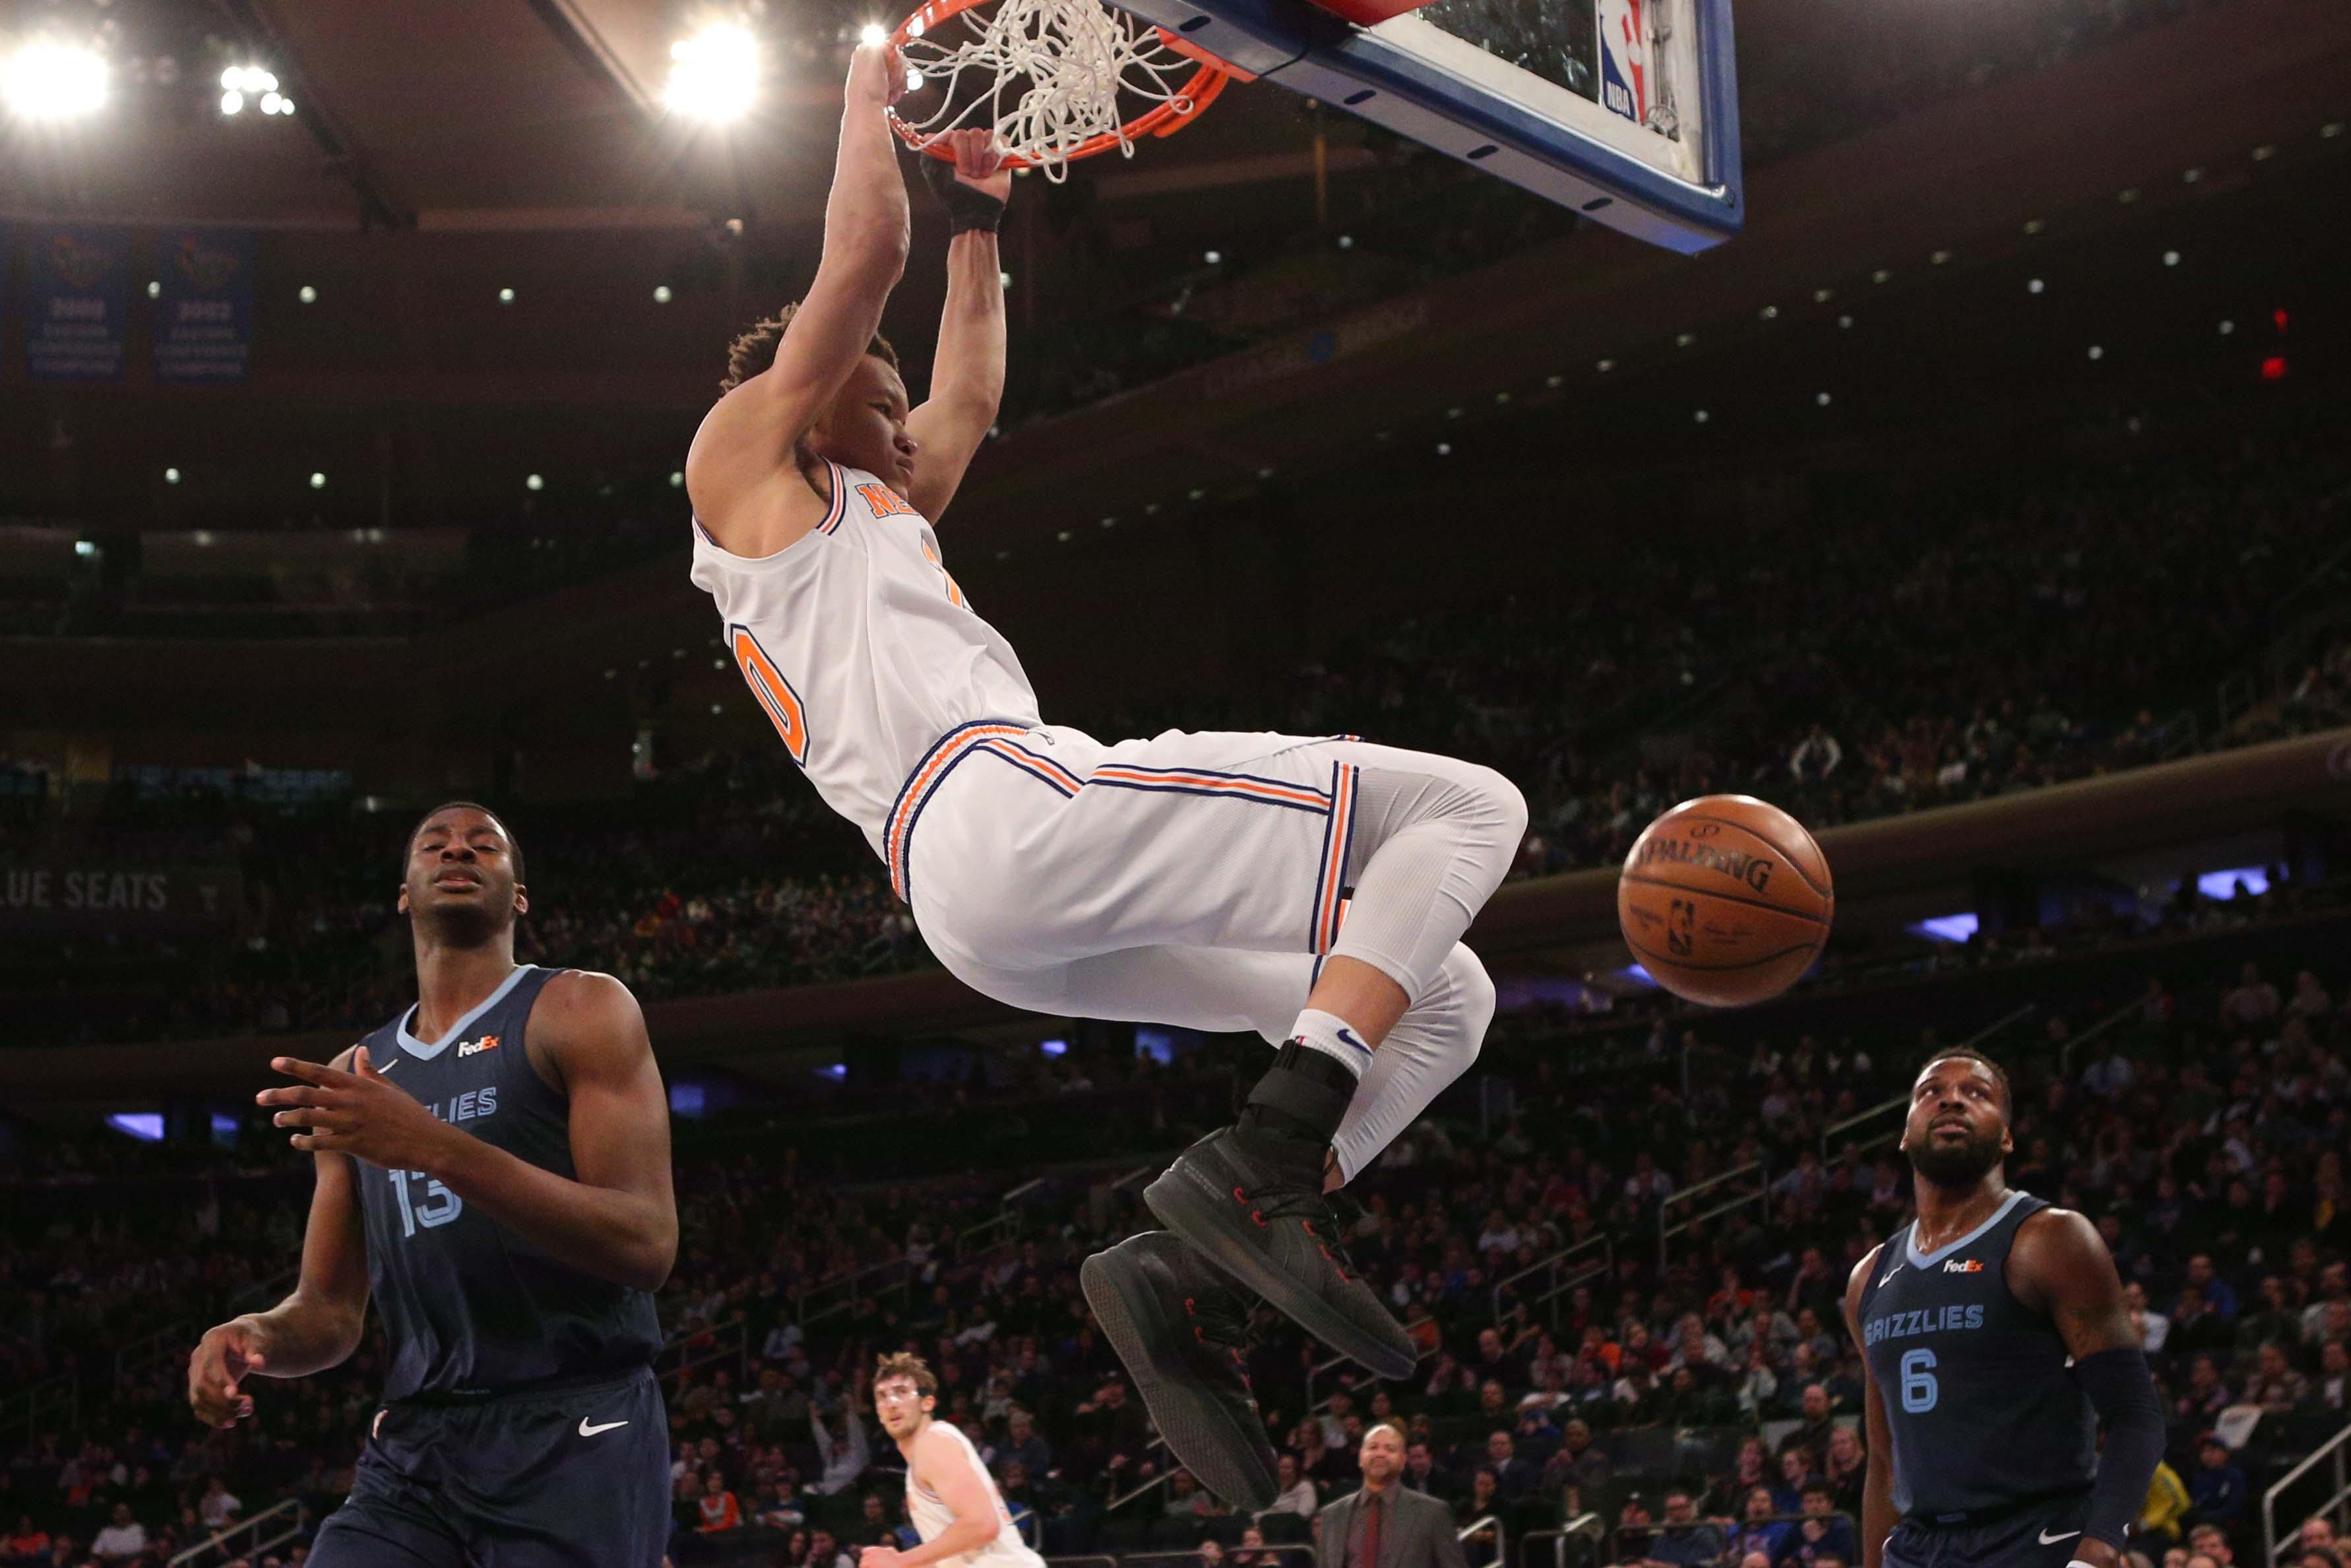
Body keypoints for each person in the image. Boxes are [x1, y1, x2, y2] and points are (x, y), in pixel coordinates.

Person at [685, 41, 1522, 1511]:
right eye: (877, 398)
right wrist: (866, 95)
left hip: (983, 911)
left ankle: (1186, 1261)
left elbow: (975, 392)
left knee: (1446, 993)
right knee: (1470, 809)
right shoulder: (743, 466)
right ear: (806, 392)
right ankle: (1261, 1160)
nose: (906, 422)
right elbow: (859, 257)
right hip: (999, 803)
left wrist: (985, 215)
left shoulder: (873, 515)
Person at [185, 803, 678, 1567]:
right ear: (405, 893)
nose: (459, 850)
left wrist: (438, 1148)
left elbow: (646, 1244)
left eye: (485, 845)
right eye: (436, 845)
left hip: (577, 1425)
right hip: (420, 1447)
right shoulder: (358, 1073)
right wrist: (258, 1336)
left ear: (519, 895)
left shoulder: (581, 1008)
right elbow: (330, 1310)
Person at [1844, 1050, 2165, 1568]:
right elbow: (1883, 1464)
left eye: (1977, 1092)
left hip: (2035, 1538)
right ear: (1905, 1133)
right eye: (1931, 1091)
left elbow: (2135, 1414)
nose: (1951, 1098)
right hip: (1920, 1549)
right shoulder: (1869, 1278)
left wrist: (2099, 1547)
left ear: (2007, 1136)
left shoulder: (2050, 1240)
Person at [863, 1353, 1044, 1568]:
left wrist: (900, 1561)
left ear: (927, 1402)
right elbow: (957, 1553)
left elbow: (981, 1525)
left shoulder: (933, 1443)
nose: (891, 1403)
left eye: (901, 1393)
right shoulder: (926, 1454)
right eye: (882, 1397)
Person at [1317, 1422, 1470, 1568]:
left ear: (1404, 1461)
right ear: (1360, 1458)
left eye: (1390, 1449)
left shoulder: (1433, 1513)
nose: (1380, 1454)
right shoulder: (1332, 1515)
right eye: (1373, 1447)